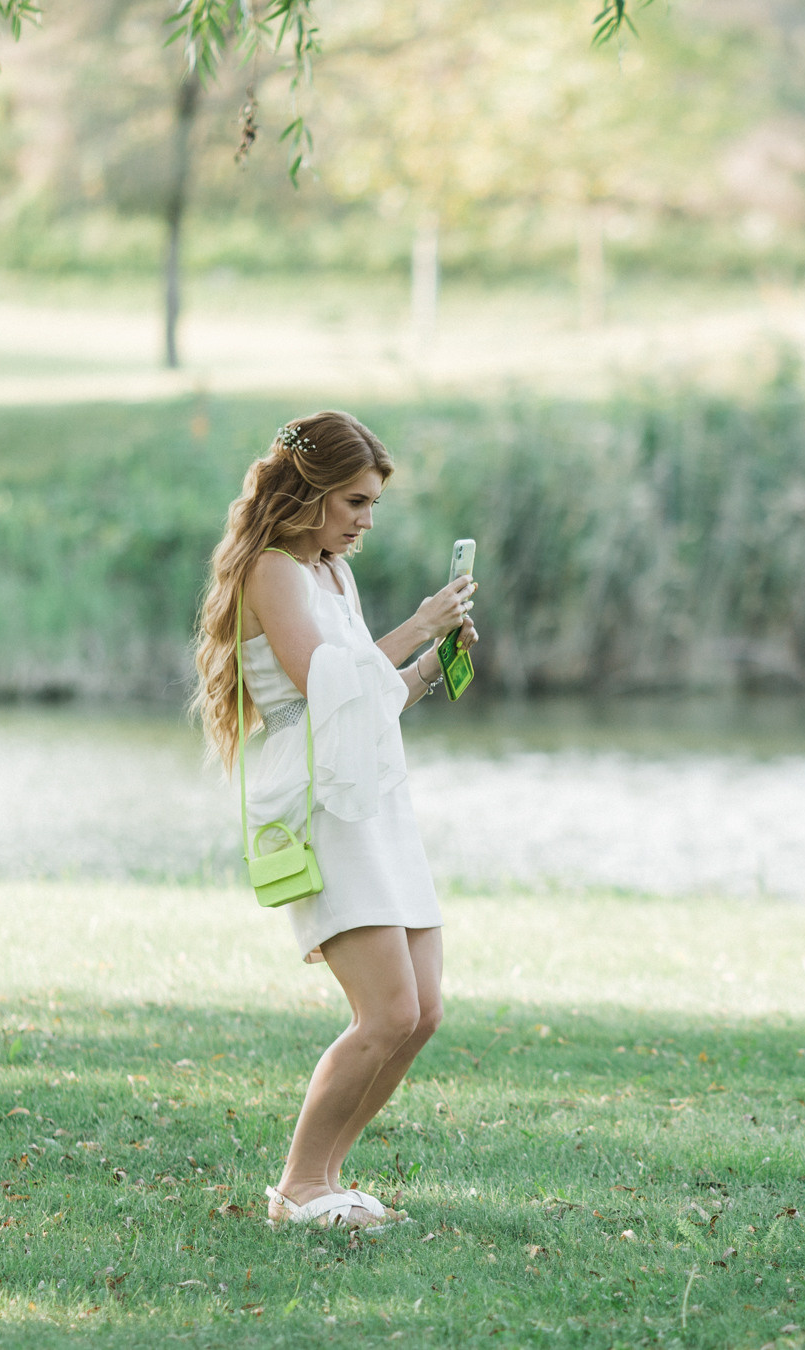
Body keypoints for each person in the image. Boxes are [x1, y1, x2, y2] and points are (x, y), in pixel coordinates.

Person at [191, 411, 478, 1233]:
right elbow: (323, 685)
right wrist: (418, 624)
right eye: (354, 501)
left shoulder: (334, 575)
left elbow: (365, 695)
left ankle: (326, 1178)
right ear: (308, 492)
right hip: (319, 803)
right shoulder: (272, 571)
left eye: (373, 503)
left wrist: (434, 664)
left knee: (422, 1011)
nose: (365, 521)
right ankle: (298, 1187)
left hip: (374, 794)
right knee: (384, 1012)